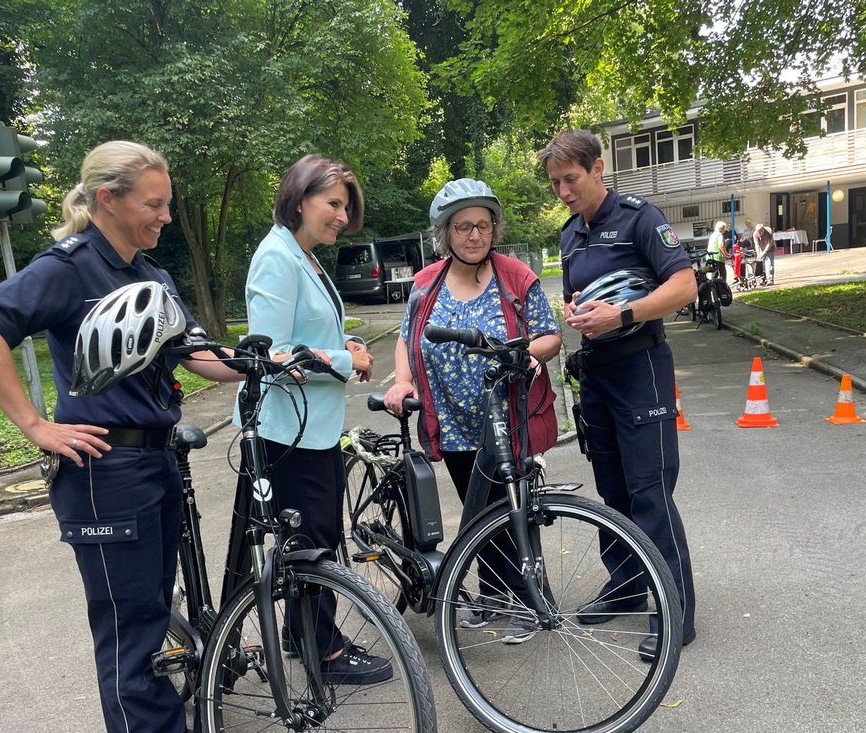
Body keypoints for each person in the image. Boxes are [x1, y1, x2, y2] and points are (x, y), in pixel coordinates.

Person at [0, 141, 244, 733]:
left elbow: (197, 356)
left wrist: (279, 359)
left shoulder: (151, 275)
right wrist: (35, 424)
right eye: (155, 203)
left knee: (143, 606)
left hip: (155, 456)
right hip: (103, 468)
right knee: (132, 618)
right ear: (108, 199)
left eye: (167, 203)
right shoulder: (67, 269)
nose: (166, 216)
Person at [536, 129, 697, 661]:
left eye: (571, 179)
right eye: (556, 182)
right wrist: (578, 310)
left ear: (598, 168)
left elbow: (684, 285)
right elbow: (582, 296)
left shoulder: (638, 217)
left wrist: (622, 313)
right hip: (597, 373)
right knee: (614, 491)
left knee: (649, 490)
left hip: (641, 366)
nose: (563, 190)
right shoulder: (569, 234)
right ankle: (628, 584)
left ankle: (675, 612)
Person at [232, 154, 389, 684]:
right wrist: (348, 363)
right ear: (300, 198)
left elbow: (309, 335)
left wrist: (342, 344)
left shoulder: (304, 255)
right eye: (334, 204)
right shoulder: (277, 255)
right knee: (311, 543)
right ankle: (323, 650)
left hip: (310, 426)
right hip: (286, 432)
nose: (343, 216)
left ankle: (308, 638)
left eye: (346, 207)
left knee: (315, 537)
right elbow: (273, 354)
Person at [384, 178, 562, 644]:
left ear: (493, 229)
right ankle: (492, 594)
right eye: (463, 227)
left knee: (514, 507)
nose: (474, 235)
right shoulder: (426, 283)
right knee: (476, 509)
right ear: (446, 233)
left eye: (482, 226)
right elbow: (407, 338)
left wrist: (529, 355)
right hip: (454, 418)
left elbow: (549, 334)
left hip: (508, 416)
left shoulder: (515, 276)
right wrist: (403, 380)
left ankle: (527, 598)